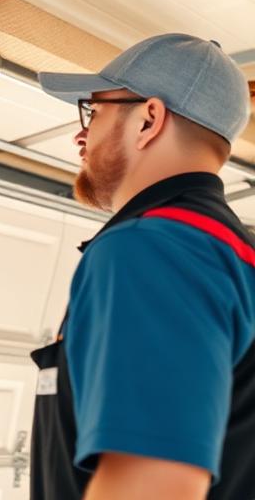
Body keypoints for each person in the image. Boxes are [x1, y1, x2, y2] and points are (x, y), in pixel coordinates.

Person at [30, 33, 255, 500]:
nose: (80, 135)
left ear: (149, 120)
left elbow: (154, 487)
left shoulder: (152, 247)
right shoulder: (230, 252)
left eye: (94, 112)